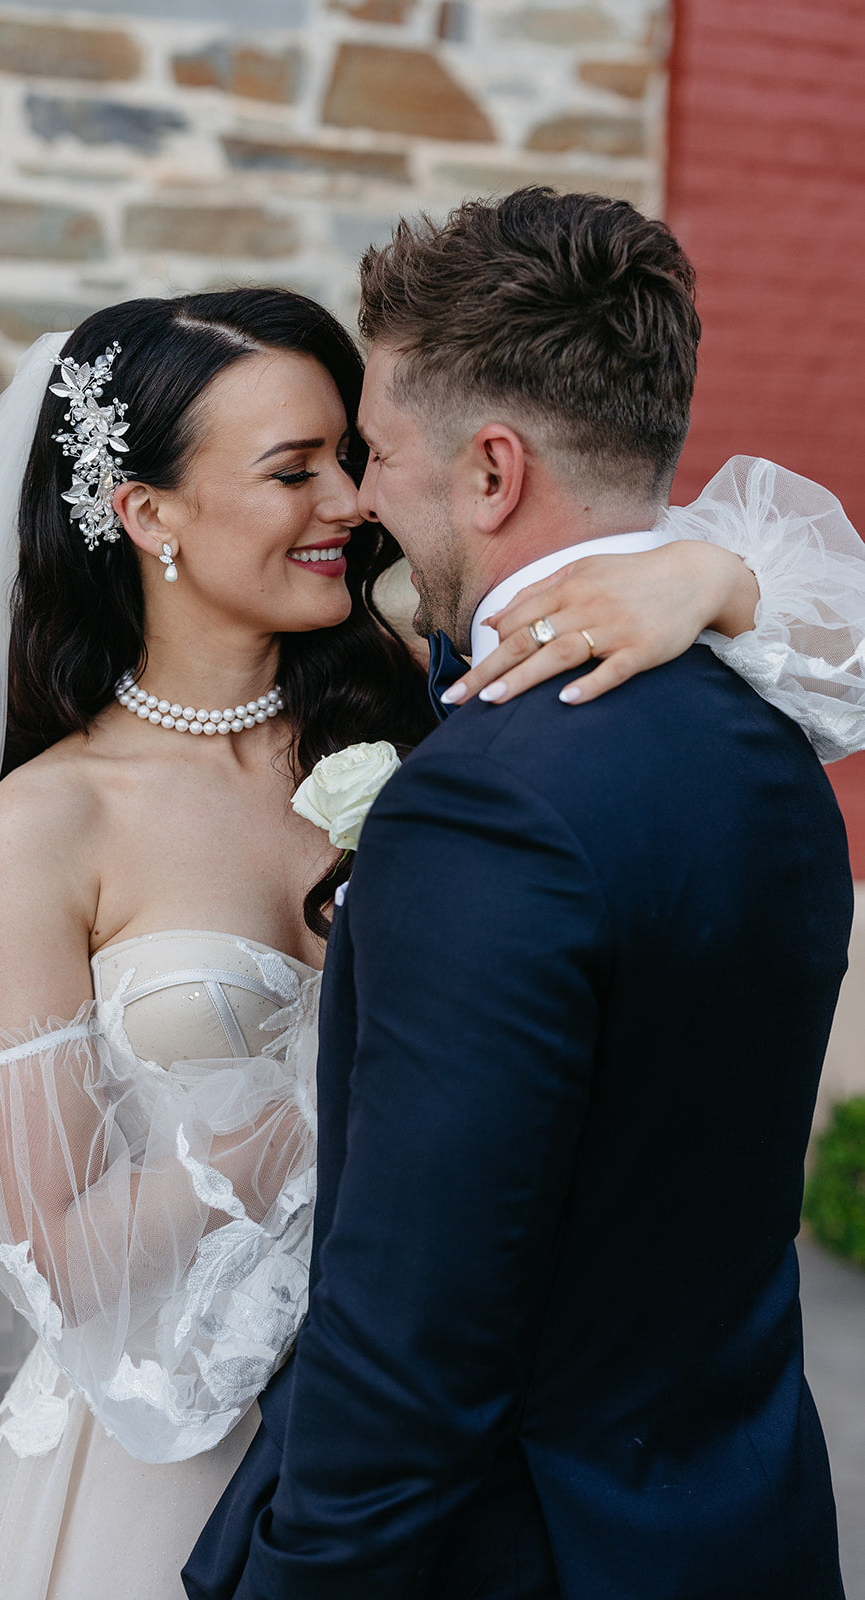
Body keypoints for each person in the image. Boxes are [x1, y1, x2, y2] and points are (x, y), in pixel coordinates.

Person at [0, 276, 860, 1600]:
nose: (352, 505)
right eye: (296, 472)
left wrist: (702, 579)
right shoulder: (41, 825)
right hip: (168, 1452)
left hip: (439, 1445)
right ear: (147, 513)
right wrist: (328, 1101)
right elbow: (54, 1256)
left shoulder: (435, 711)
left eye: (353, 461)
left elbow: (834, 636)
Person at [183, 192, 862, 1599]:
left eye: (374, 451)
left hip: (525, 1557)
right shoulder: (777, 743)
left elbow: (412, 1341)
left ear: (491, 472)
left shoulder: (488, 804)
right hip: (742, 1524)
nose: (360, 500)